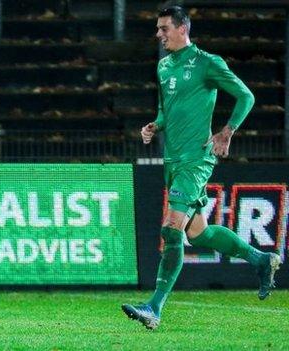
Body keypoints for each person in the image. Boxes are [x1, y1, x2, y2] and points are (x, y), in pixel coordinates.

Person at [121, 6, 281, 330]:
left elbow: (245, 97)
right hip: (173, 161)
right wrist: (155, 125)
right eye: (158, 29)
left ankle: (154, 307)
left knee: (171, 228)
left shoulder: (208, 63)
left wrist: (227, 130)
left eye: (164, 28)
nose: (159, 35)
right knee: (199, 232)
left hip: (195, 159)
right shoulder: (164, 66)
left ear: (182, 28)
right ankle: (262, 260)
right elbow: (167, 110)